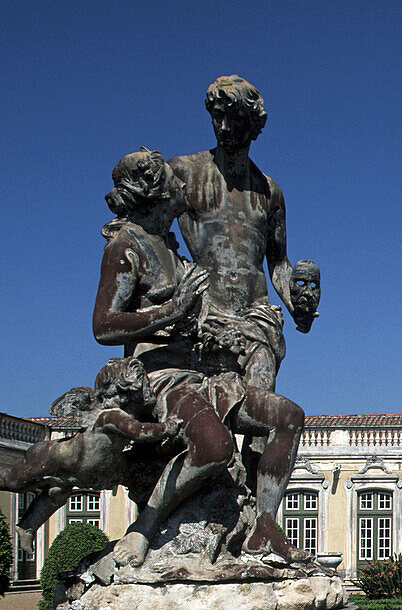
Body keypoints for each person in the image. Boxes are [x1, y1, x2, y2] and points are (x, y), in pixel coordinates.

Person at [93, 148, 306, 566]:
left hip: (207, 372)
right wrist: (172, 311)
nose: (185, 186)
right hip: (163, 376)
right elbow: (103, 326)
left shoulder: (171, 250)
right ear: (158, 193)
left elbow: (191, 317)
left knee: (288, 417)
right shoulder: (124, 247)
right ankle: (145, 526)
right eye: (176, 183)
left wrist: (214, 330)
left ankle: (263, 527)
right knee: (215, 447)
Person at [168, 76, 310, 392]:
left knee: (262, 410)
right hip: (204, 311)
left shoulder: (270, 191)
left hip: (257, 316)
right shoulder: (183, 172)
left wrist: (297, 304)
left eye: (233, 118)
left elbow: (279, 266)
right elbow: (150, 235)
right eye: (216, 116)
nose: (223, 126)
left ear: (253, 124)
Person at [0, 358, 178, 554]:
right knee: (12, 480)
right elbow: (139, 432)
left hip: (82, 471)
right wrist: (167, 428)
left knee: (55, 496)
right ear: (121, 390)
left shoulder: (119, 415)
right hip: (53, 458)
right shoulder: (110, 416)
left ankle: (27, 527)